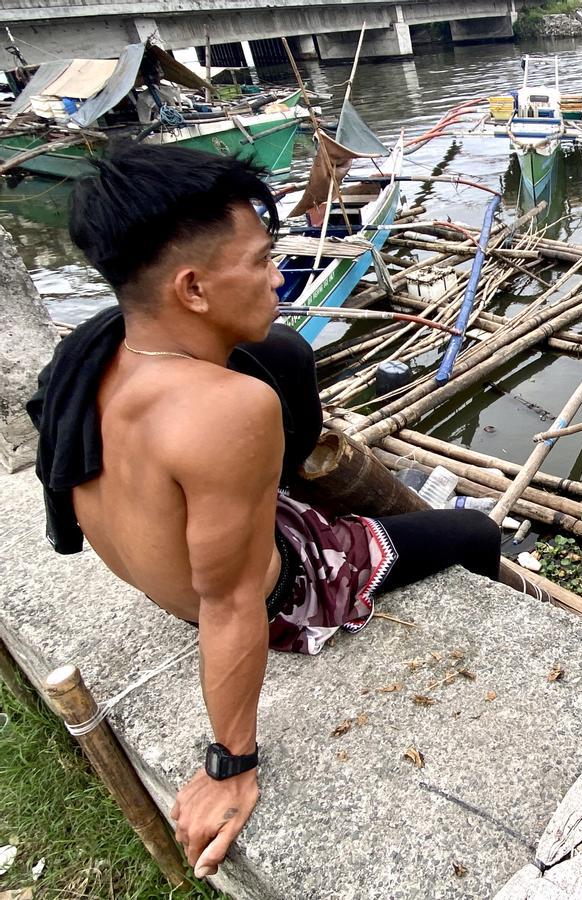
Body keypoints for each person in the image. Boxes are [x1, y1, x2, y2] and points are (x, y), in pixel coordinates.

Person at [26, 143, 500, 878]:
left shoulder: (92, 347)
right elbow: (231, 601)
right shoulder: (227, 412)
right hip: (273, 590)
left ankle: (275, 495)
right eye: (260, 260)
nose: (280, 275)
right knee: (474, 531)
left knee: (282, 353)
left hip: (156, 560)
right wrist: (229, 762)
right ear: (192, 288)